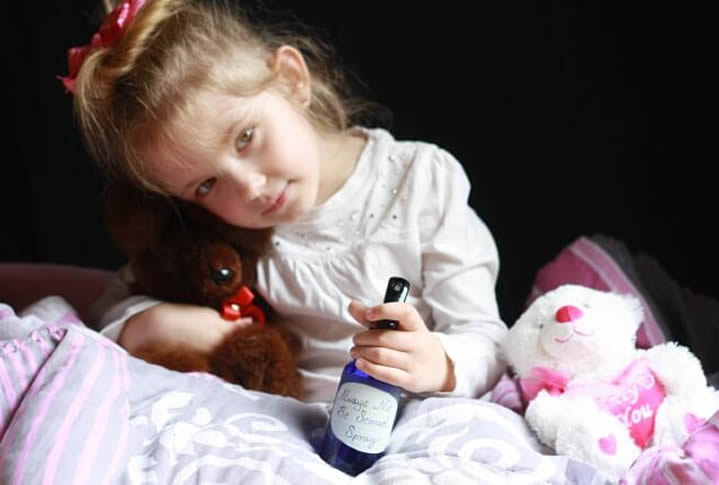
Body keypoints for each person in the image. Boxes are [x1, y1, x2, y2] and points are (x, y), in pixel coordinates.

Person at [62, 0, 507, 403]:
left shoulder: (419, 182)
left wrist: (439, 365)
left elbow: (485, 340)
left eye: (245, 138)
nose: (249, 187)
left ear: (293, 81)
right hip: (289, 429)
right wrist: (155, 322)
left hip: (410, 417)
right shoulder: (221, 229)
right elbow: (108, 308)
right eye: (206, 185)